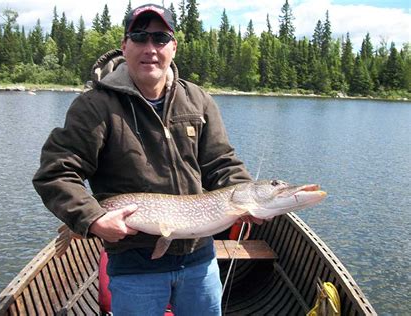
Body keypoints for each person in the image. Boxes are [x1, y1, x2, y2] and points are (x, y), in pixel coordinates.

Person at [33, 3, 261, 315]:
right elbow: (56, 173)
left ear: (174, 47)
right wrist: (93, 219)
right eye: (140, 38)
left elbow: (221, 162)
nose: (150, 48)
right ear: (124, 46)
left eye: (160, 39)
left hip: (199, 260)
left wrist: (243, 193)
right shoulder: (95, 106)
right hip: (134, 266)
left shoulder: (197, 100)